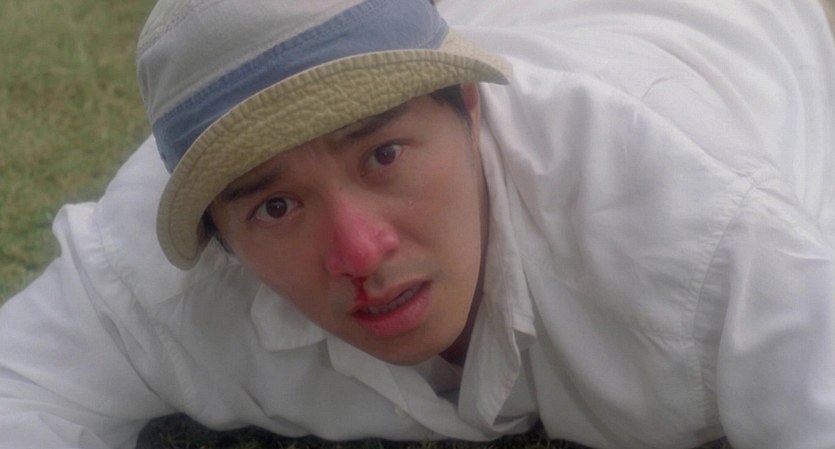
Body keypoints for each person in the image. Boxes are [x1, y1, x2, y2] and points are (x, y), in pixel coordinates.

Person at [1, 0, 834, 448]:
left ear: (469, 104)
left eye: (383, 154)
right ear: (217, 234)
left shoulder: (692, 220)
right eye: (275, 206)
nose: (359, 252)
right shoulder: (154, 275)